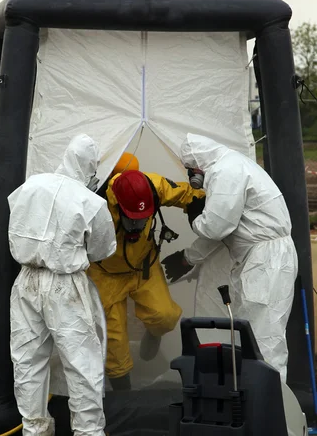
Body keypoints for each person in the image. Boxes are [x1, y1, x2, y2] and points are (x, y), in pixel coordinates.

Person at [8, 134, 117, 436]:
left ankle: (35, 431)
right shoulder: (90, 201)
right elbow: (103, 248)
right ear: (89, 166)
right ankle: (88, 435)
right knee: (82, 359)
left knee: (28, 358)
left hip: (26, 280)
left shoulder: (29, 186)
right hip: (65, 283)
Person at [162, 133, 298, 383]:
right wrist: (188, 257)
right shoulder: (231, 165)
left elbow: (216, 227)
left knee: (264, 339)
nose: (191, 176)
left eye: (190, 169)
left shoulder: (225, 171)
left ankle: (270, 411)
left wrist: (196, 220)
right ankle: (255, 404)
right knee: (251, 337)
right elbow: (223, 232)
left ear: (197, 165)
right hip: (260, 259)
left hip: (266, 262)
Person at [89, 165, 205, 390]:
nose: (138, 225)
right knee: (114, 341)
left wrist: (207, 208)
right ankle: (124, 394)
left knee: (164, 316)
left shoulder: (154, 187)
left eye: (143, 219)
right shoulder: (94, 204)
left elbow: (188, 194)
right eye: (133, 219)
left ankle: (154, 334)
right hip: (105, 274)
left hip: (143, 266)